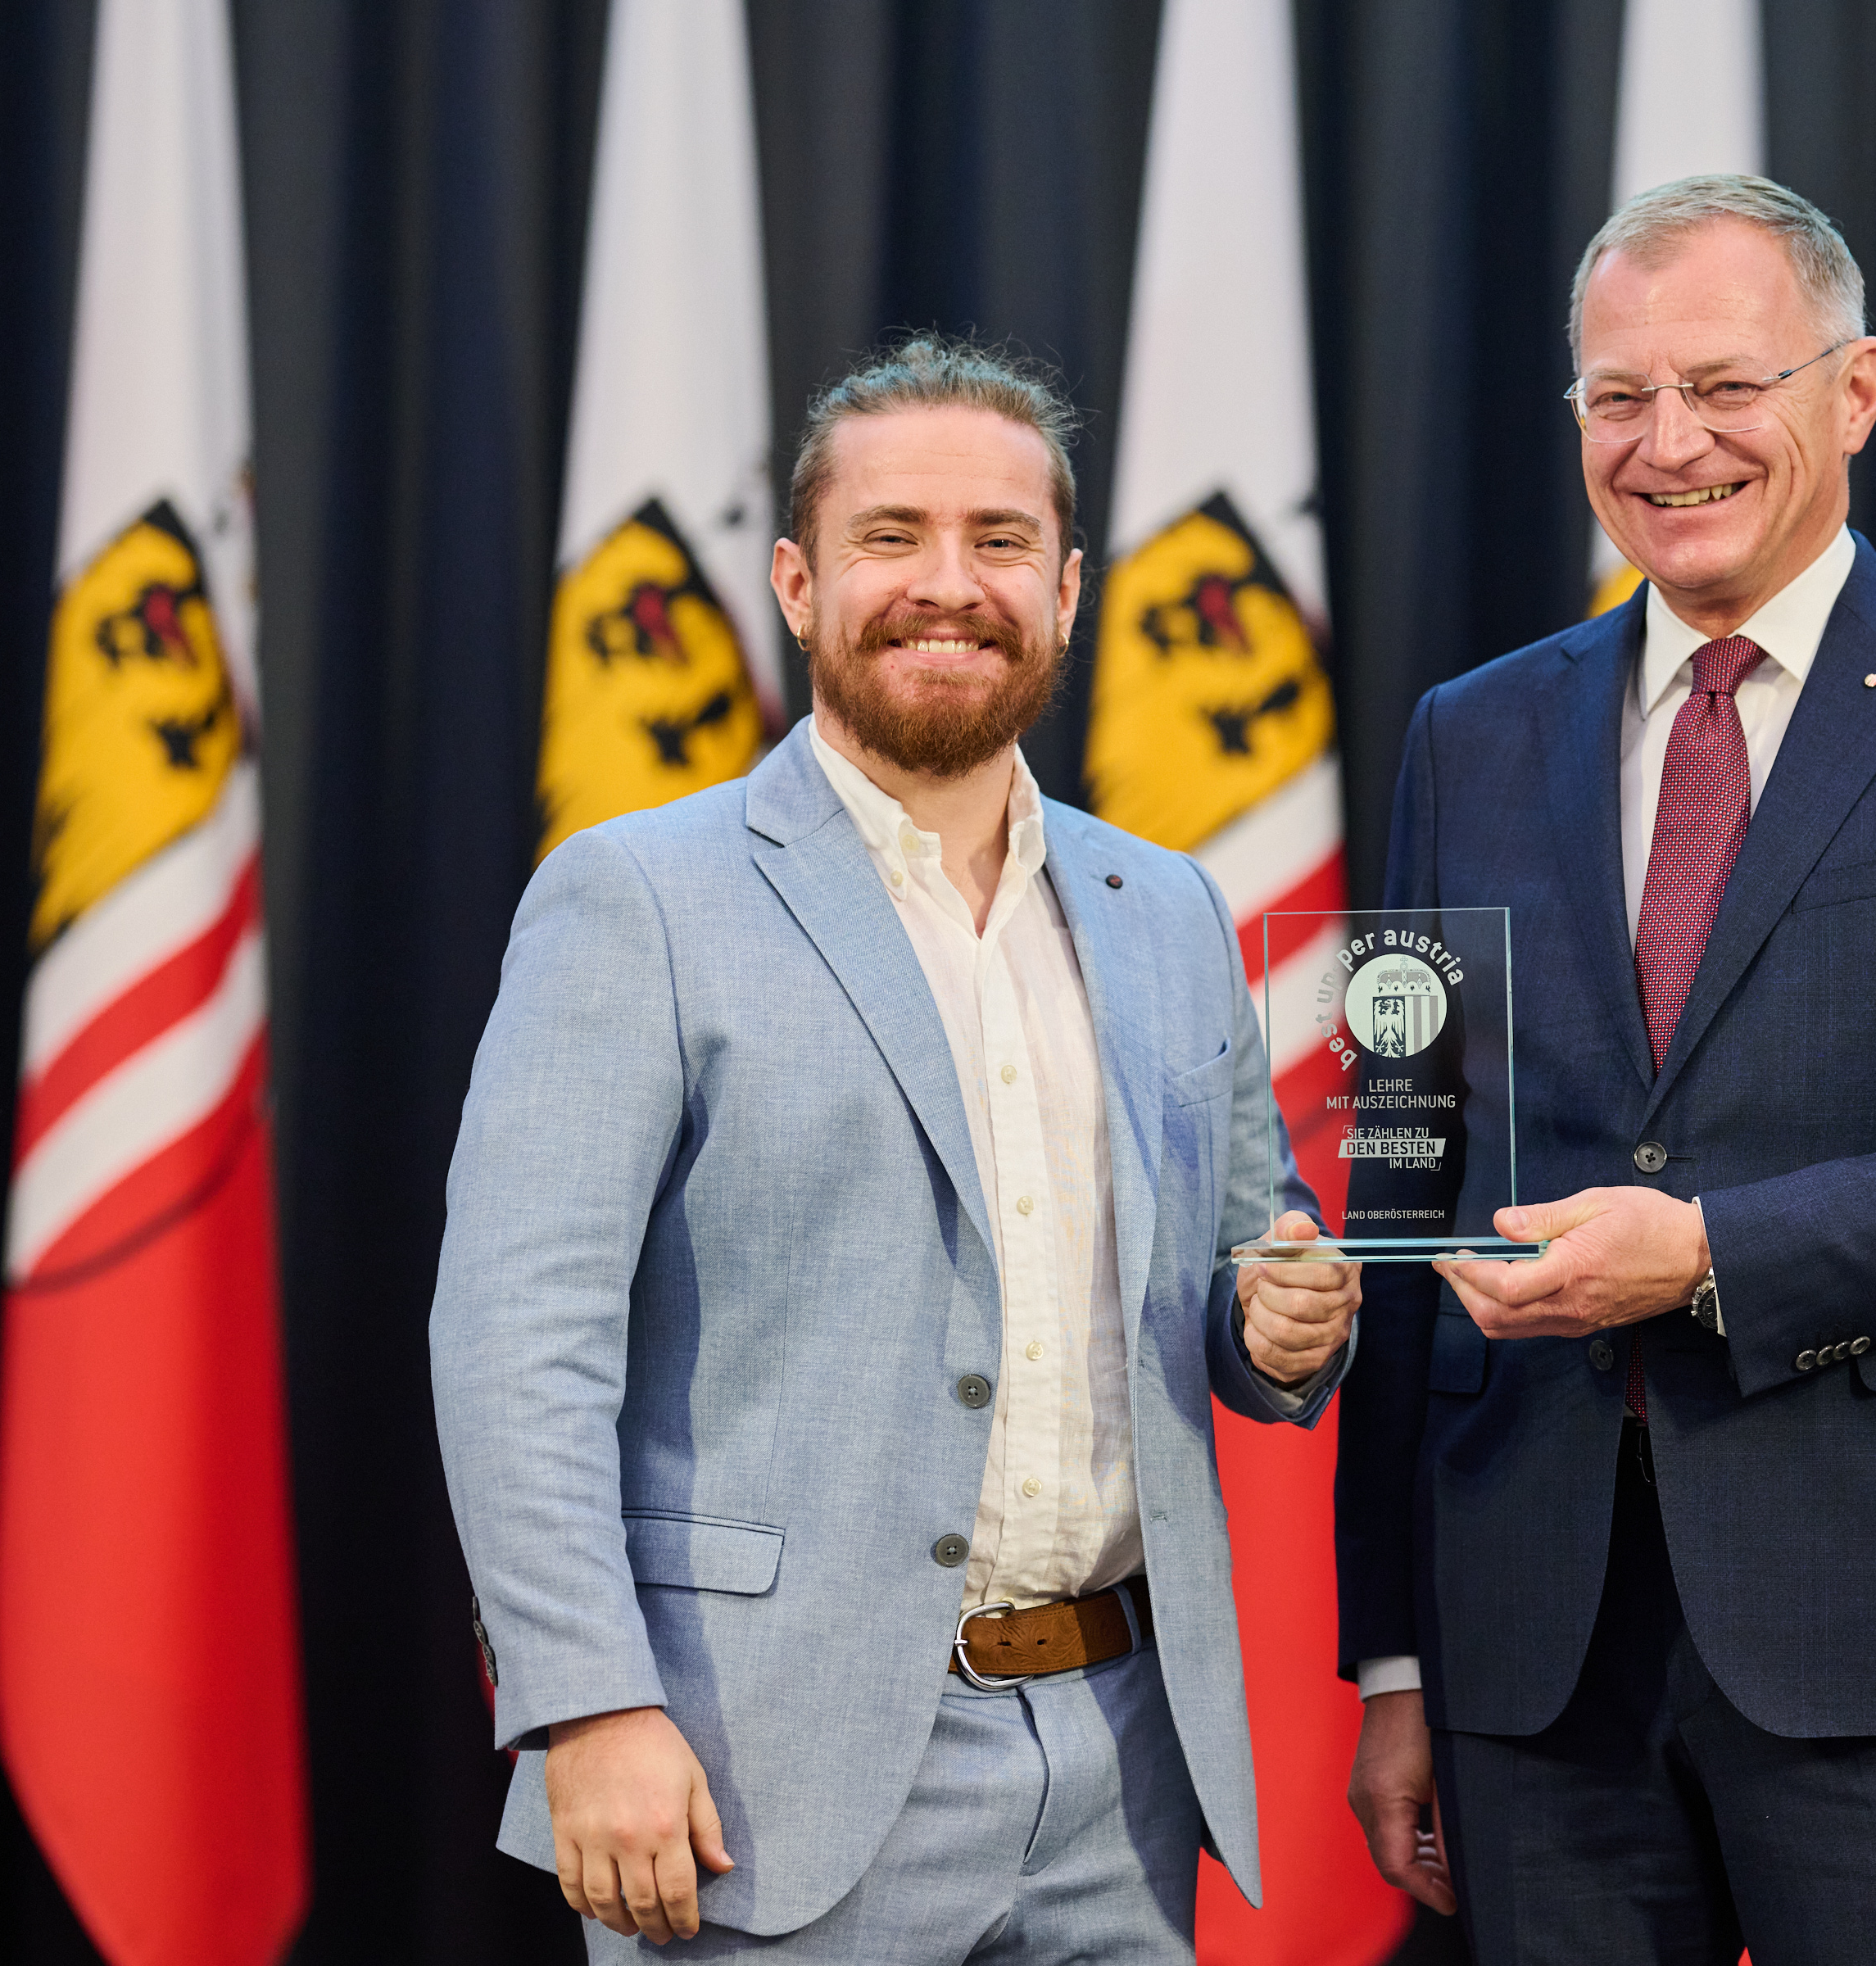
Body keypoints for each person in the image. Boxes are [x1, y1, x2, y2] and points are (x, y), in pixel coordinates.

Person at [1334, 175, 1876, 1964]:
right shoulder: (1466, 735)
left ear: (1854, 390)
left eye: (1727, 386)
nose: (1671, 444)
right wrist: (1395, 1655)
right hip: (1529, 1657)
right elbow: (1402, 1193)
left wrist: (1716, 1254)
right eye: (1619, 398)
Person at [431, 335, 1362, 1963]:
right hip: (755, 1768)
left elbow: (1242, 1267)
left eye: (1001, 540)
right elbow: (519, 1340)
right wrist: (587, 1703)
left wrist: (1286, 1326)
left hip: (1125, 1772)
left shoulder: (1169, 910)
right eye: (892, 537)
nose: (951, 585)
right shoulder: (639, 897)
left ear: (1067, 589)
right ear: (797, 585)